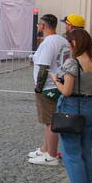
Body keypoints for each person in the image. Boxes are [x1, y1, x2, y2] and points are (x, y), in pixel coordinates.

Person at [53, 28, 92, 183]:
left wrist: (55, 81)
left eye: (70, 43)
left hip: (71, 108)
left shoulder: (73, 64)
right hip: (88, 108)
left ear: (75, 43)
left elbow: (67, 91)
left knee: (71, 153)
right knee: (84, 151)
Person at [29, 14, 67, 166]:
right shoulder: (62, 40)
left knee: (50, 122)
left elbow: (44, 67)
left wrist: (39, 87)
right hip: (57, 84)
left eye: (39, 24)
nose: (38, 27)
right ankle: (45, 149)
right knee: (49, 121)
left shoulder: (48, 42)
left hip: (48, 87)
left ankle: (51, 154)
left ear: (43, 26)